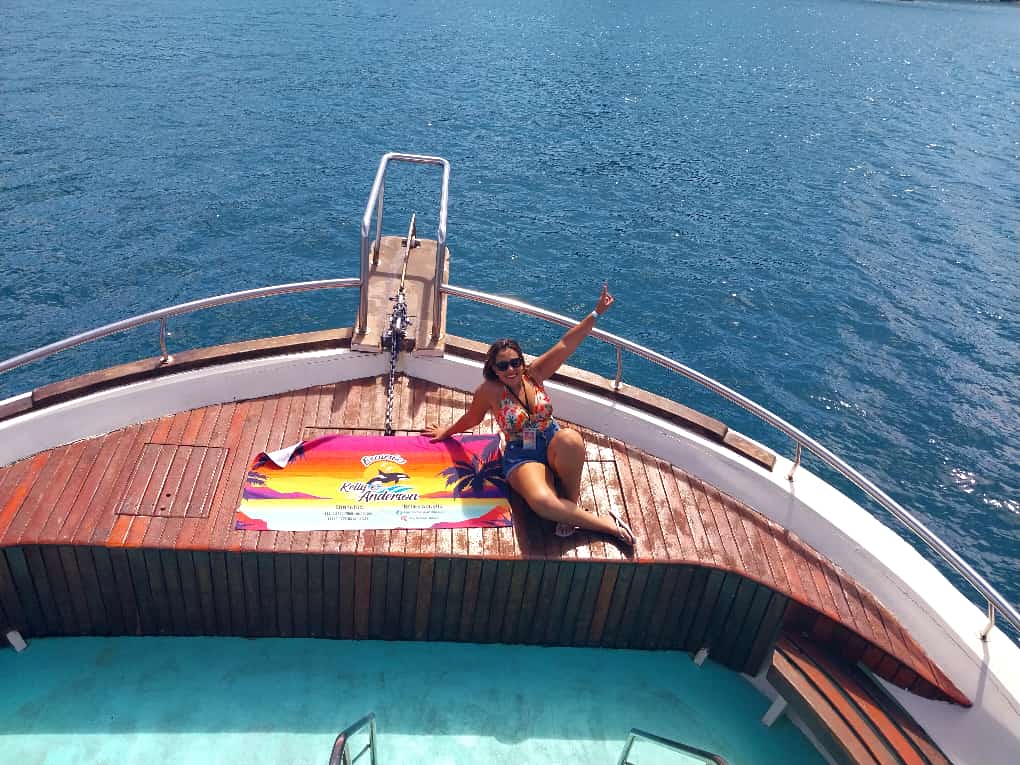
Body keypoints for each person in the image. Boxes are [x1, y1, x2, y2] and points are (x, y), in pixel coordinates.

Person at [423, 283, 636, 547]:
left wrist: (596, 312)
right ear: (493, 369)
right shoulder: (488, 391)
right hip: (523, 454)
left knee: (571, 438)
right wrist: (446, 432)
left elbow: (567, 343)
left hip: (552, 441)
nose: (510, 369)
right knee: (542, 503)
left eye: (515, 362)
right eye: (502, 365)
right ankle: (608, 525)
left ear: (522, 363)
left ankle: (569, 506)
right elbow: (472, 419)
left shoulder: (534, 375)